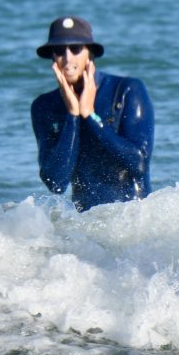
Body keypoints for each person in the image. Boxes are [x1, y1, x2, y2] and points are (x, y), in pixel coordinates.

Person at [31, 16, 155, 212]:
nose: (68, 58)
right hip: (87, 223)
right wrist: (73, 116)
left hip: (134, 218)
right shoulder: (44, 106)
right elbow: (56, 183)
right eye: (59, 51)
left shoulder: (127, 90)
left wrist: (90, 115)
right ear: (53, 57)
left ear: (90, 53)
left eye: (75, 49)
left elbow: (139, 164)